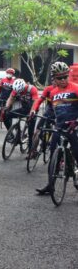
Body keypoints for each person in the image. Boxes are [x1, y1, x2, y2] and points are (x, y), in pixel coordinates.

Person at [35, 62, 78, 195]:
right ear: (54, 78)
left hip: (74, 127)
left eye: (65, 76)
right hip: (59, 127)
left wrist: (76, 121)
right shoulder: (53, 93)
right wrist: (47, 121)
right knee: (54, 155)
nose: (63, 80)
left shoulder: (76, 88)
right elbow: (54, 111)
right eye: (59, 78)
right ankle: (50, 184)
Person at [3, 78, 38, 148]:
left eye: (21, 92)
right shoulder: (16, 89)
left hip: (33, 110)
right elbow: (11, 98)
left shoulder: (32, 89)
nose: (20, 93)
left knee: (30, 132)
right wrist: (6, 107)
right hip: (24, 109)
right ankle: (11, 135)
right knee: (6, 115)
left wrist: (31, 112)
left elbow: (35, 102)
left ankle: (30, 149)